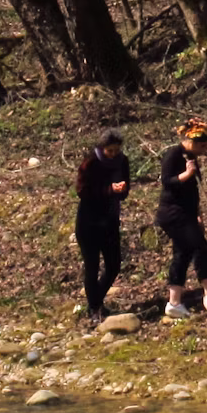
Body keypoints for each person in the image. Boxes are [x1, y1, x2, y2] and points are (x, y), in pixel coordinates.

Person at [155, 116, 207, 320]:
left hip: (188, 212)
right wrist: (186, 174)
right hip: (172, 213)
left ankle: (174, 302)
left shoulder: (191, 156)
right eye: (202, 146)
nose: (204, 151)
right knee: (199, 247)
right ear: (191, 142)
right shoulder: (174, 155)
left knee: (183, 252)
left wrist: (198, 215)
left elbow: (194, 191)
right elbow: (167, 182)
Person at [74, 128, 131, 320]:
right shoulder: (90, 162)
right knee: (92, 265)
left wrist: (121, 190)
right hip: (88, 221)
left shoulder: (122, 162)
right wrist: (109, 190)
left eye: (116, 150)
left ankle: (95, 301)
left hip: (110, 219)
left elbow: (125, 189)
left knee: (114, 264)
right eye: (110, 151)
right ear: (102, 148)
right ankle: (94, 308)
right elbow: (82, 191)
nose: (113, 154)